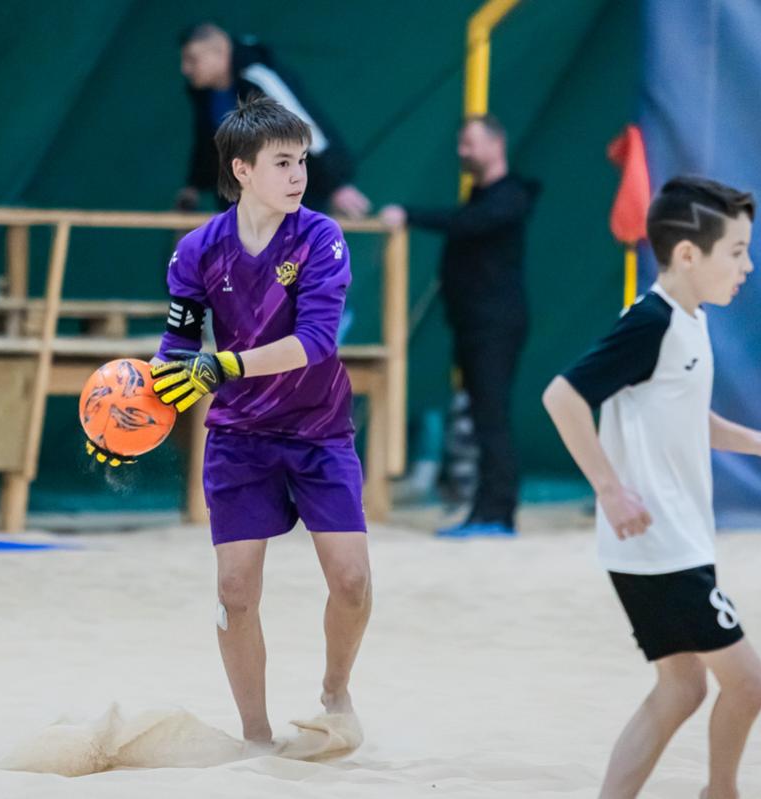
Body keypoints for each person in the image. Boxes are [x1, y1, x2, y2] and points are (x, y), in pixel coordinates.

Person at [541, 176, 761, 799]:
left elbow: (687, 412)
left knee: (683, 688)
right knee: (750, 683)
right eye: (737, 251)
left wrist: (760, 441)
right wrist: (610, 491)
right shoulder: (651, 322)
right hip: (659, 546)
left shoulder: (691, 321)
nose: (748, 266)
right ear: (689, 254)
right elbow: (562, 397)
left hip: (675, 541)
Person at [146, 96, 370, 745]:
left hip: (318, 429)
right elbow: (176, 350)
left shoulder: (321, 238)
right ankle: (256, 738)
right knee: (235, 590)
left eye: (302, 161)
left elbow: (317, 341)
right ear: (242, 169)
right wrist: (138, 412)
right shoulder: (196, 250)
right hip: (239, 438)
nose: (299, 175)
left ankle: (334, 690)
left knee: (351, 581)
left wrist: (224, 365)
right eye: (282, 162)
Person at [381, 115, 540, 537]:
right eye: (460, 144)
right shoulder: (481, 196)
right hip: (471, 325)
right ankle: (484, 510)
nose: (461, 152)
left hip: (495, 326)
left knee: (491, 417)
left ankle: (497, 513)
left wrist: (408, 215)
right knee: (482, 417)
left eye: (469, 144)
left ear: (496, 144)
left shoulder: (509, 196)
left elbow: (468, 223)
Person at [176, 21, 370, 218]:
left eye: (192, 60)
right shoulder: (204, 95)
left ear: (220, 52)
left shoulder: (258, 78)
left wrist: (336, 185)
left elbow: (305, 128)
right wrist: (194, 186)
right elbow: (209, 144)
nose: (185, 69)